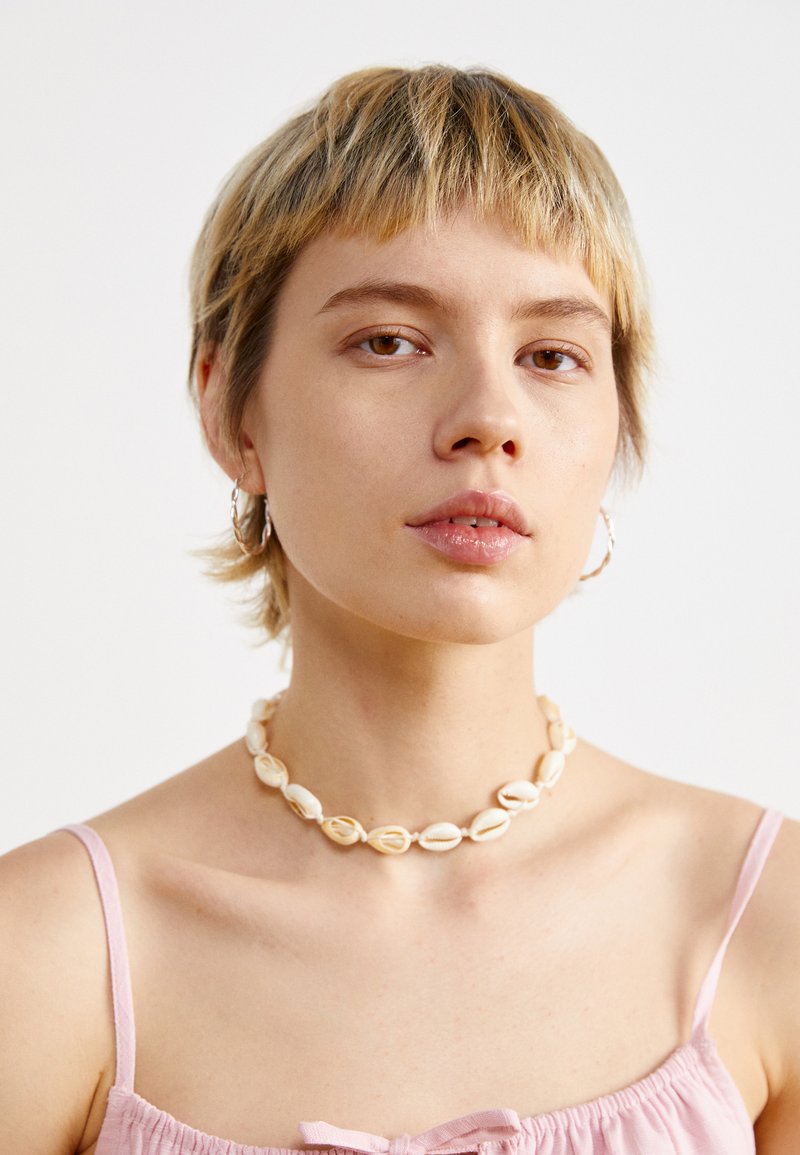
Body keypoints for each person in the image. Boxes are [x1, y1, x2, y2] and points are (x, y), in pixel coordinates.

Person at [0, 64, 797, 1155]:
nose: (487, 418)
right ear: (230, 411)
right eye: (389, 341)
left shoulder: (763, 918)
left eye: (552, 355)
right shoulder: (50, 954)